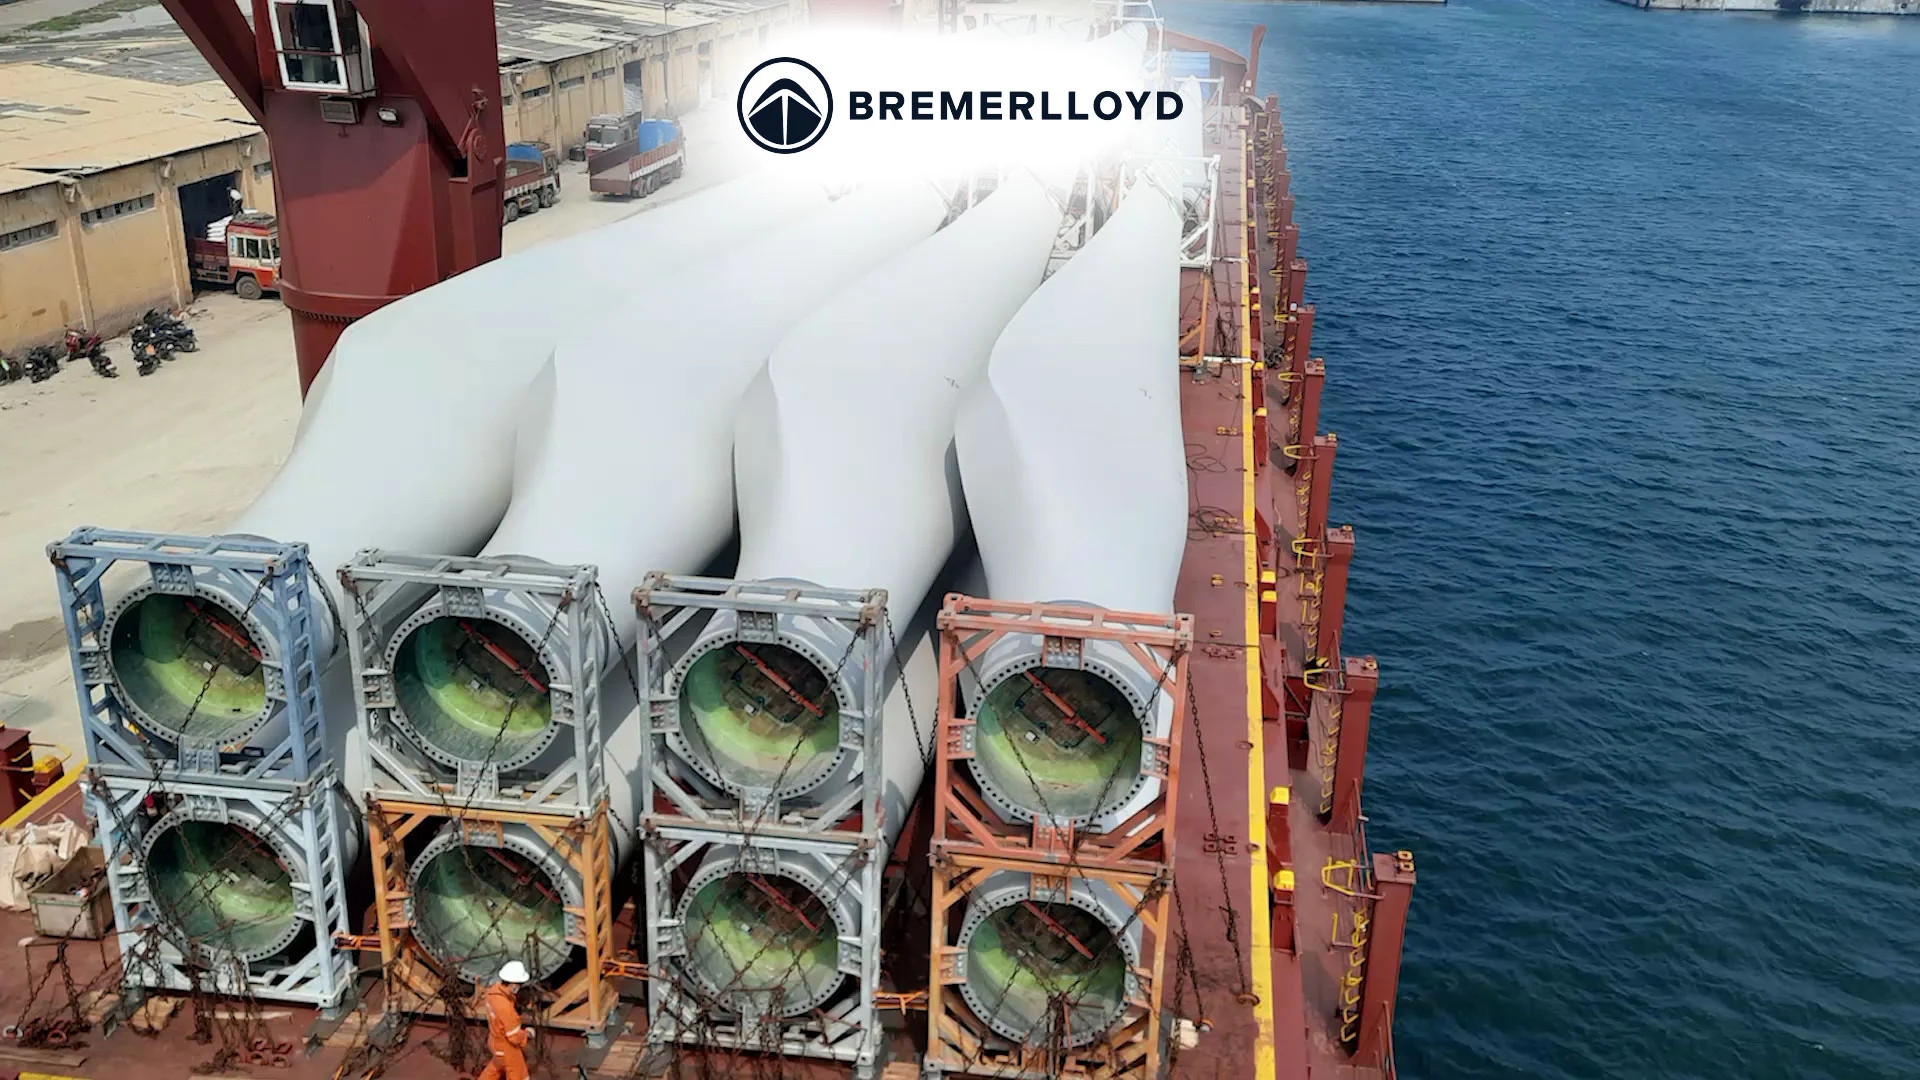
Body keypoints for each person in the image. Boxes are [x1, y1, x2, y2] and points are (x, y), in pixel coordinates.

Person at [477, 961, 532, 1080]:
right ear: (513, 984)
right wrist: (527, 1034)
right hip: (507, 1048)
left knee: (495, 1069)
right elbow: (513, 1036)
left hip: (495, 1042)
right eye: (519, 984)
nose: (520, 987)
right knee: (519, 1075)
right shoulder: (506, 1007)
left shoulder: (492, 992)